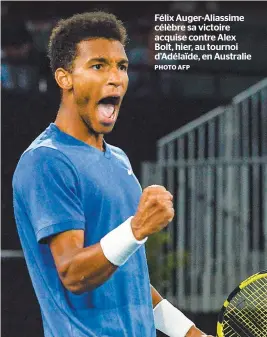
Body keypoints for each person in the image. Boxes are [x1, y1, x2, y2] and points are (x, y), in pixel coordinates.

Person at [13, 12, 213, 337]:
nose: (116, 77)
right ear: (65, 78)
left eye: (121, 66)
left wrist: (191, 334)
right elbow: (73, 273)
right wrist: (136, 229)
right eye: (98, 66)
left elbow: (130, 279)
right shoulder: (46, 160)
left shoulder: (119, 160)